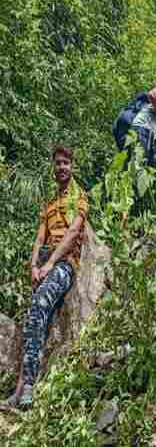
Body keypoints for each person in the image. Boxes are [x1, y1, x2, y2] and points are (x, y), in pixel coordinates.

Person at [4, 146, 88, 410]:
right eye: (58, 163)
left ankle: (28, 386)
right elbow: (40, 237)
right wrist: (33, 265)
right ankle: (19, 390)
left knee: (39, 306)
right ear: (53, 168)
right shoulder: (49, 204)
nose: (62, 167)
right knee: (34, 318)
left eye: (66, 163)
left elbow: (74, 232)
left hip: (64, 264)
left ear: (72, 166)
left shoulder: (79, 197)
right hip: (44, 265)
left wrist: (50, 263)